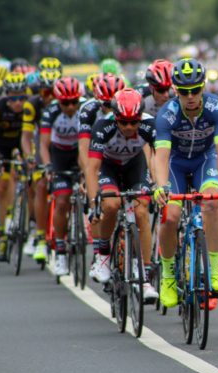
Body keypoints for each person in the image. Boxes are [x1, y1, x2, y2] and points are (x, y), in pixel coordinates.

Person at [153, 58, 218, 309]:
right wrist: (161, 186)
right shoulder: (167, 113)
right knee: (171, 214)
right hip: (175, 163)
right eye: (183, 92)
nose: (190, 97)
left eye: (195, 90)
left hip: (204, 161)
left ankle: (215, 271)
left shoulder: (217, 107)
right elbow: (161, 156)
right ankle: (167, 276)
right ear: (175, 90)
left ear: (203, 87)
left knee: (212, 203)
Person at [86, 88, 158, 300]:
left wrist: (159, 184)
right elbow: (92, 168)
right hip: (108, 168)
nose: (129, 127)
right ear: (116, 117)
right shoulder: (103, 126)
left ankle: (144, 277)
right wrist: (93, 204)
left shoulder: (150, 125)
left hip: (135, 166)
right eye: (124, 122)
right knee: (111, 205)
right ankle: (103, 257)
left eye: (133, 122)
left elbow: (158, 156)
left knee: (142, 211)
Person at [38, 77, 83, 276]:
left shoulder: (85, 110)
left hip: (80, 152)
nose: (71, 107)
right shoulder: (51, 112)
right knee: (62, 200)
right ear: (58, 100)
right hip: (59, 155)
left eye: (74, 101)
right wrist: (48, 166)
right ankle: (61, 250)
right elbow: (44, 145)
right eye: (65, 103)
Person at [79, 73, 125, 265]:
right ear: (98, 102)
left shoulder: (130, 106)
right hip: (98, 156)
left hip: (123, 156)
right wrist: (87, 176)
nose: (110, 110)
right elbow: (83, 147)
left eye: (113, 104)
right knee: (99, 205)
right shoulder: (88, 111)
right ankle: (100, 253)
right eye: (106, 105)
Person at [0, 72, 28, 261]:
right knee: (3, 184)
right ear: (6, 95)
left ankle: (26, 224)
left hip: (22, 143)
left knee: (29, 180)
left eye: (21, 97)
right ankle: (2, 233)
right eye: (13, 97)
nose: (18, 102)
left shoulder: (30, 106)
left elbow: (33, 137)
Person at [21, 69, 61, 263]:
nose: (50, 97)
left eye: (54, 92)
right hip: (42, 144)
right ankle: (39, 236)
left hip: (63, 146)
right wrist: (29, 157)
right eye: (46, 92)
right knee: (40, 185)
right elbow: (27, 137)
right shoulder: (32, 104)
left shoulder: (68, 103)